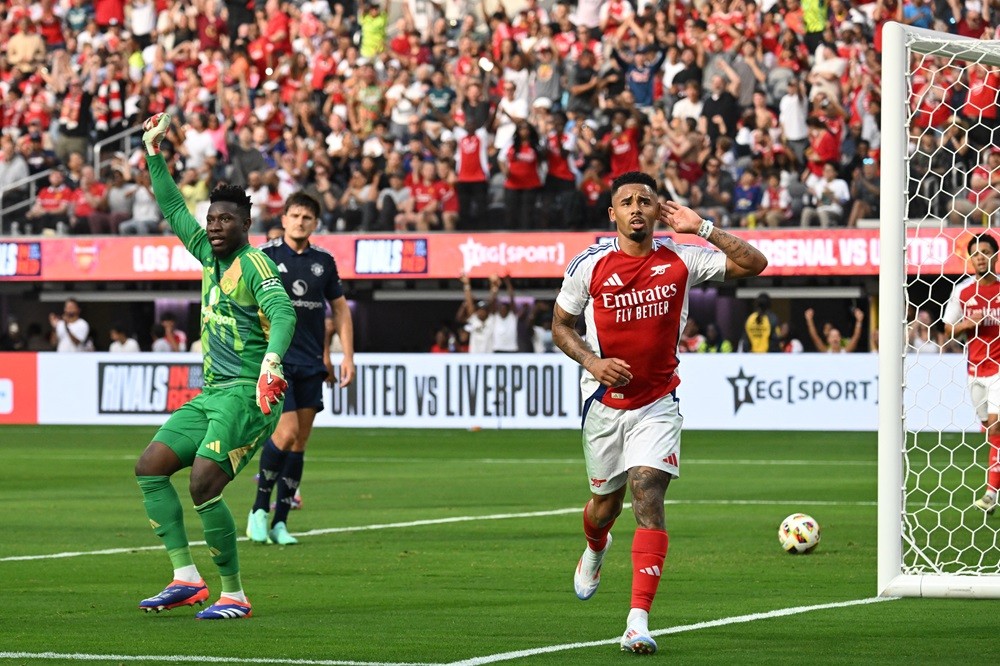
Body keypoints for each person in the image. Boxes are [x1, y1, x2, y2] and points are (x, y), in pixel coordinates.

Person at [551, 171, 767, 654]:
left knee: (646, 489)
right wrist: (592, 361)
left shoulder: (682, 258)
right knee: (603, 506)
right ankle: (595, 547)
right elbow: (561, 325)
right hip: (603, 405)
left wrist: (704, 228)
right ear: (613, 214)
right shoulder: (589, 265)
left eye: (644, 201)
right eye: (625, 201)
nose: (635, 208)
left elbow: (755, 263)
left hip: (657, 402)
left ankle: (637, 621)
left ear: (657, 209)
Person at [133, 113, 297, 620]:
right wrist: (154, 153)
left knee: (204, 481)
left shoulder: (258, 264)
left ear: (246, 225)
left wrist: (271, 362)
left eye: (225, 220)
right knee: (151, 468)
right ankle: (186, 579)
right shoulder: (206, 253)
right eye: (211, 219)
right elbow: (171, 205)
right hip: (211, 393)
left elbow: (283, 313)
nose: (214, 227)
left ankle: (235, 594)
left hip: (249, 393)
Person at [247, 192, 356, 546]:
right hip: (276, 360)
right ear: (284, 219)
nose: (300, 222)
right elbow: (246, 304)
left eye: (307, 218)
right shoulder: (265, 257)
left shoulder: (323, 261)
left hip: (311, 361)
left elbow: (339, 310)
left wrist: (347, 356)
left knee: (300, 442)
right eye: (295, 216)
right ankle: (258, 510)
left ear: (315, 223)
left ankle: (281, 522)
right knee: (286, 431)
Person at [943, 233, 1000, 514]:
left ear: (995, 256)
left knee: (995, 425)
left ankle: (990, 492)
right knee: (990, 432)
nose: (980, 256)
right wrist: (968, 323)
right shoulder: (963, 291)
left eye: (986, 251)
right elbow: (946, 328)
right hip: (975, 370)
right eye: (976, 253)